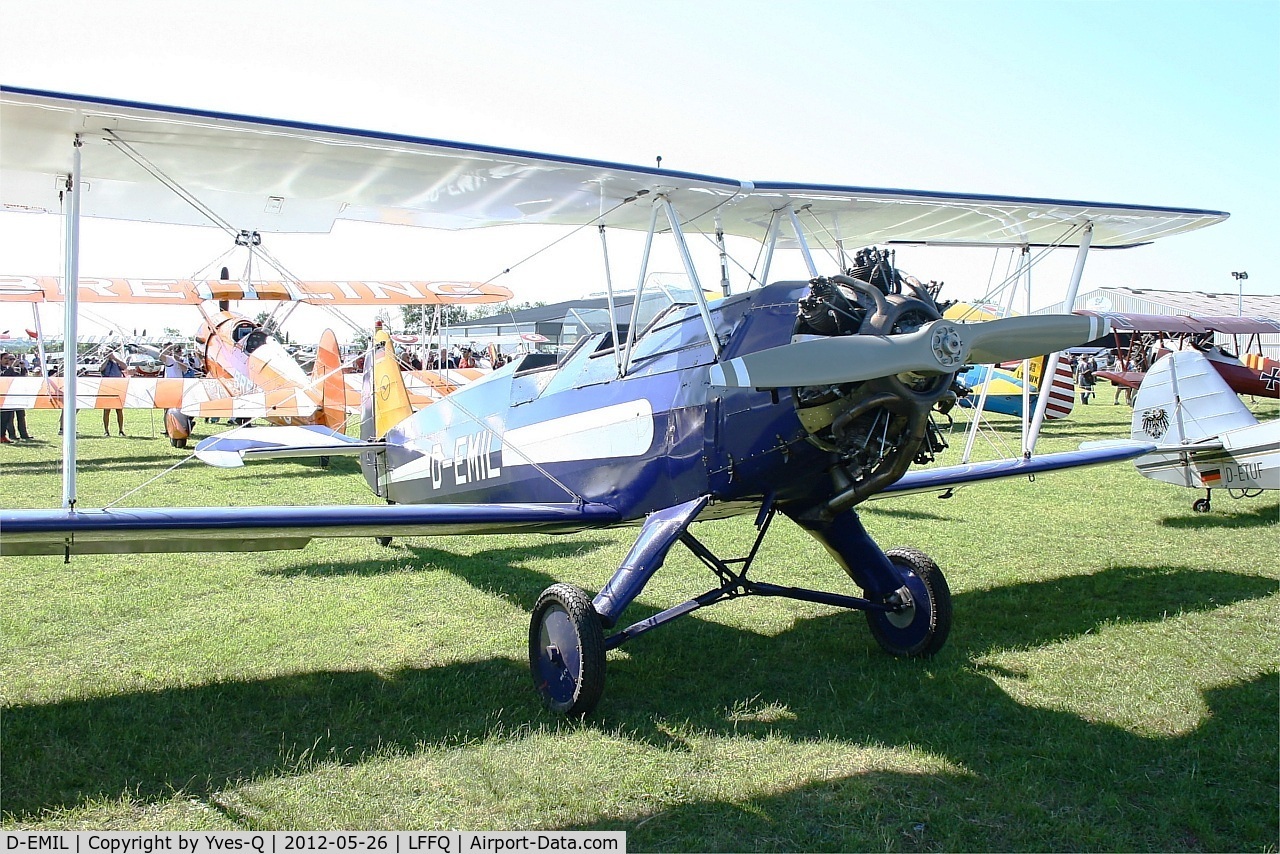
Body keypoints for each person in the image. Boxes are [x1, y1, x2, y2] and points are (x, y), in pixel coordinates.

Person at [99, 348, 128, 436]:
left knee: (119, 410)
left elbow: (124, 366)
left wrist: (114, 358)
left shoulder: (116, 362)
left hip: (117, 387)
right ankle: (106, 430)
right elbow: (101, 368)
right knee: (107, 410)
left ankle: (121, 430)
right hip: (107, 388)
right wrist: (107, 359)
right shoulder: (103, 362)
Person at [1, 351, 24, 443]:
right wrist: (11, 367)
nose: (8, 360)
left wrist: (22, 369)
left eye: (9, 359)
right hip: (1, 396)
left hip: (9, 396)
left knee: (7, 417)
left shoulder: (9, 369)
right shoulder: (5, 369)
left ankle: (2, 435)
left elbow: (19, 378)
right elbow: (3, 376)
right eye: (6, 358)